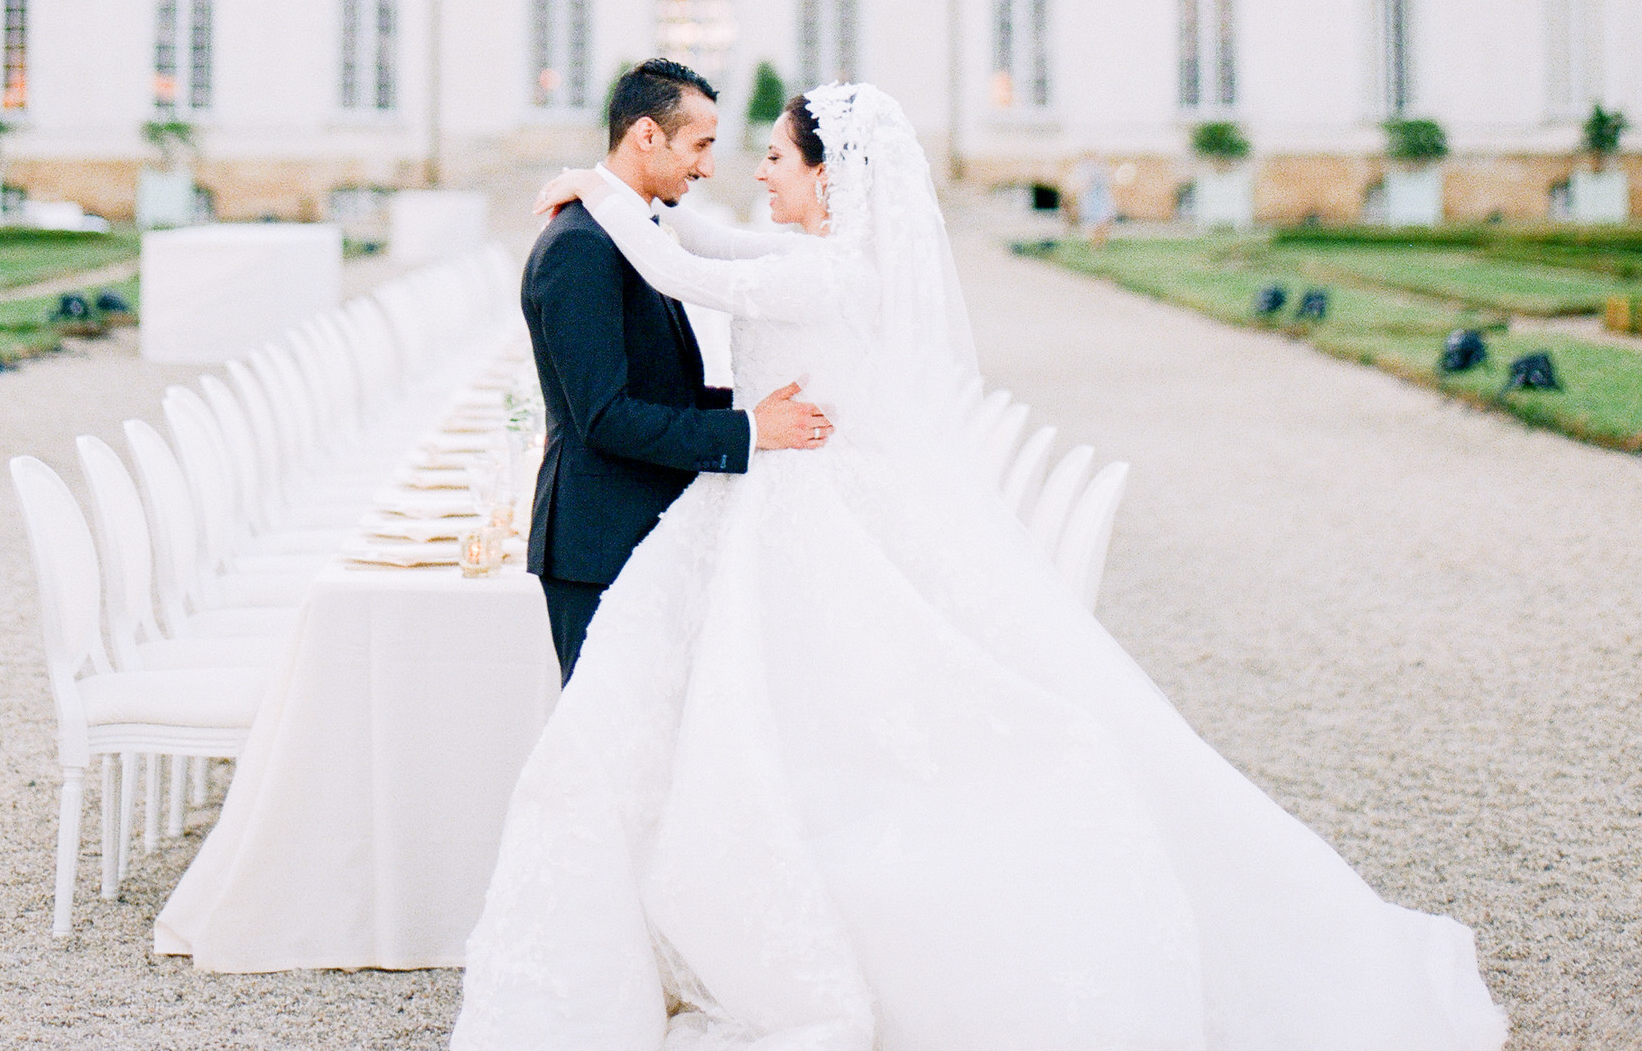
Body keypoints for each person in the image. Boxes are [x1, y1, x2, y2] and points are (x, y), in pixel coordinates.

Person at [452, 82, 1505, 1051]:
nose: (756, 171)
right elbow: (705, 241)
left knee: (816, 729)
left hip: (804, 511)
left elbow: (685, 265)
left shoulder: (825, 268)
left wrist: (597, 186)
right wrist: (608, 191)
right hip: (784, 503)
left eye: (773, 155)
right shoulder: (818, 258)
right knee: (791, 730)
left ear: (826, 176)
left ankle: (821, 925)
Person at [518, 58, 833, 681]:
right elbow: (606, 416)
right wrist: (749, 430)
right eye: (701, 144)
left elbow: (664, 388)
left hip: (642, 530)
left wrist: (761, 417)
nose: (709, 166)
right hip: (600, 544)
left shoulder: (635, 230)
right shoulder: (582, 245)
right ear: (646, 136)